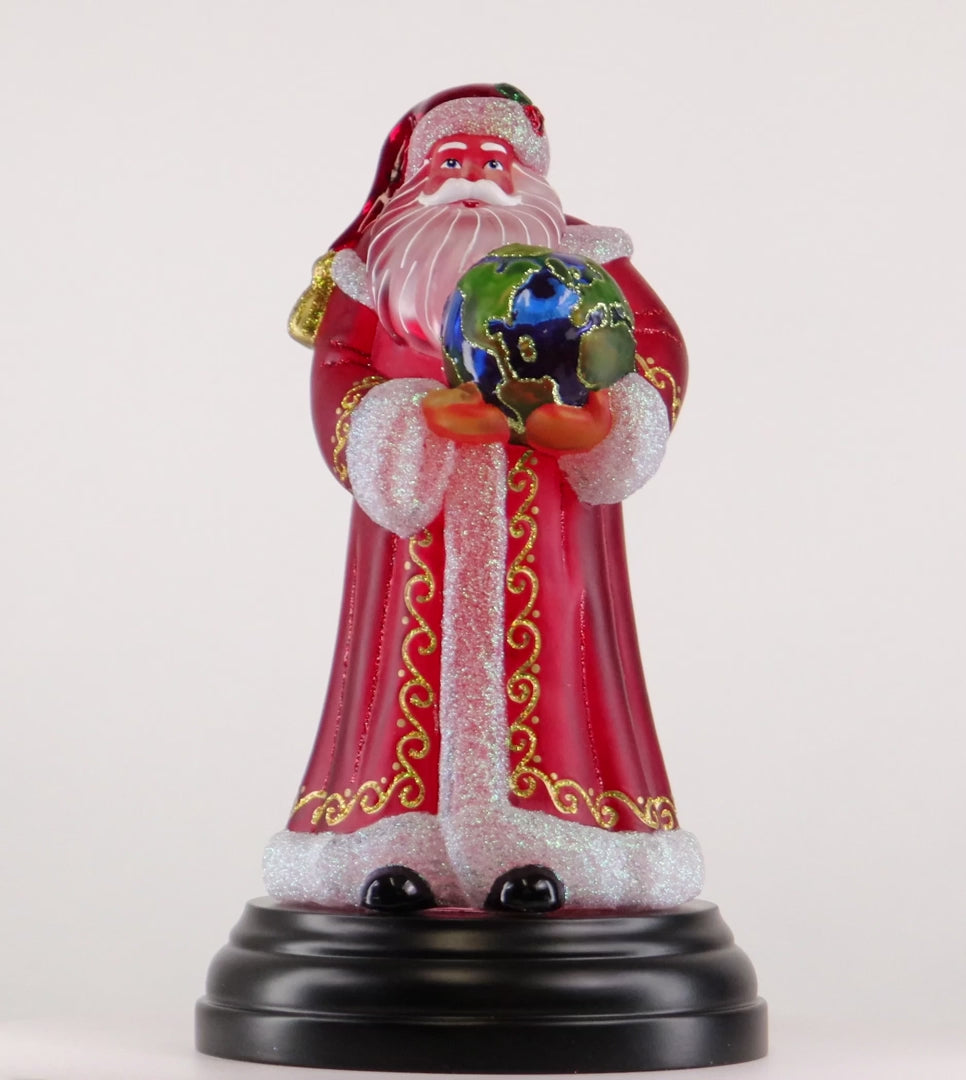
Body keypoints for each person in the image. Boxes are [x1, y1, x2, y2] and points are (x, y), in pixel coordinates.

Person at [263, 84, 704, 913]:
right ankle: (392, 841)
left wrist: (602, 417)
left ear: (528, 176)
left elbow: (653, 347)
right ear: (416, 180)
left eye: (494, 162)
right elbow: (338, 377)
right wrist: (415, 418)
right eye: (451, 161)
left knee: (558, 661)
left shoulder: (589, 263)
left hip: (549, 521)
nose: (473, 178)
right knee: (402, 666)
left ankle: (562, 840)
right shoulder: (372, 275)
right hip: (416, 531)